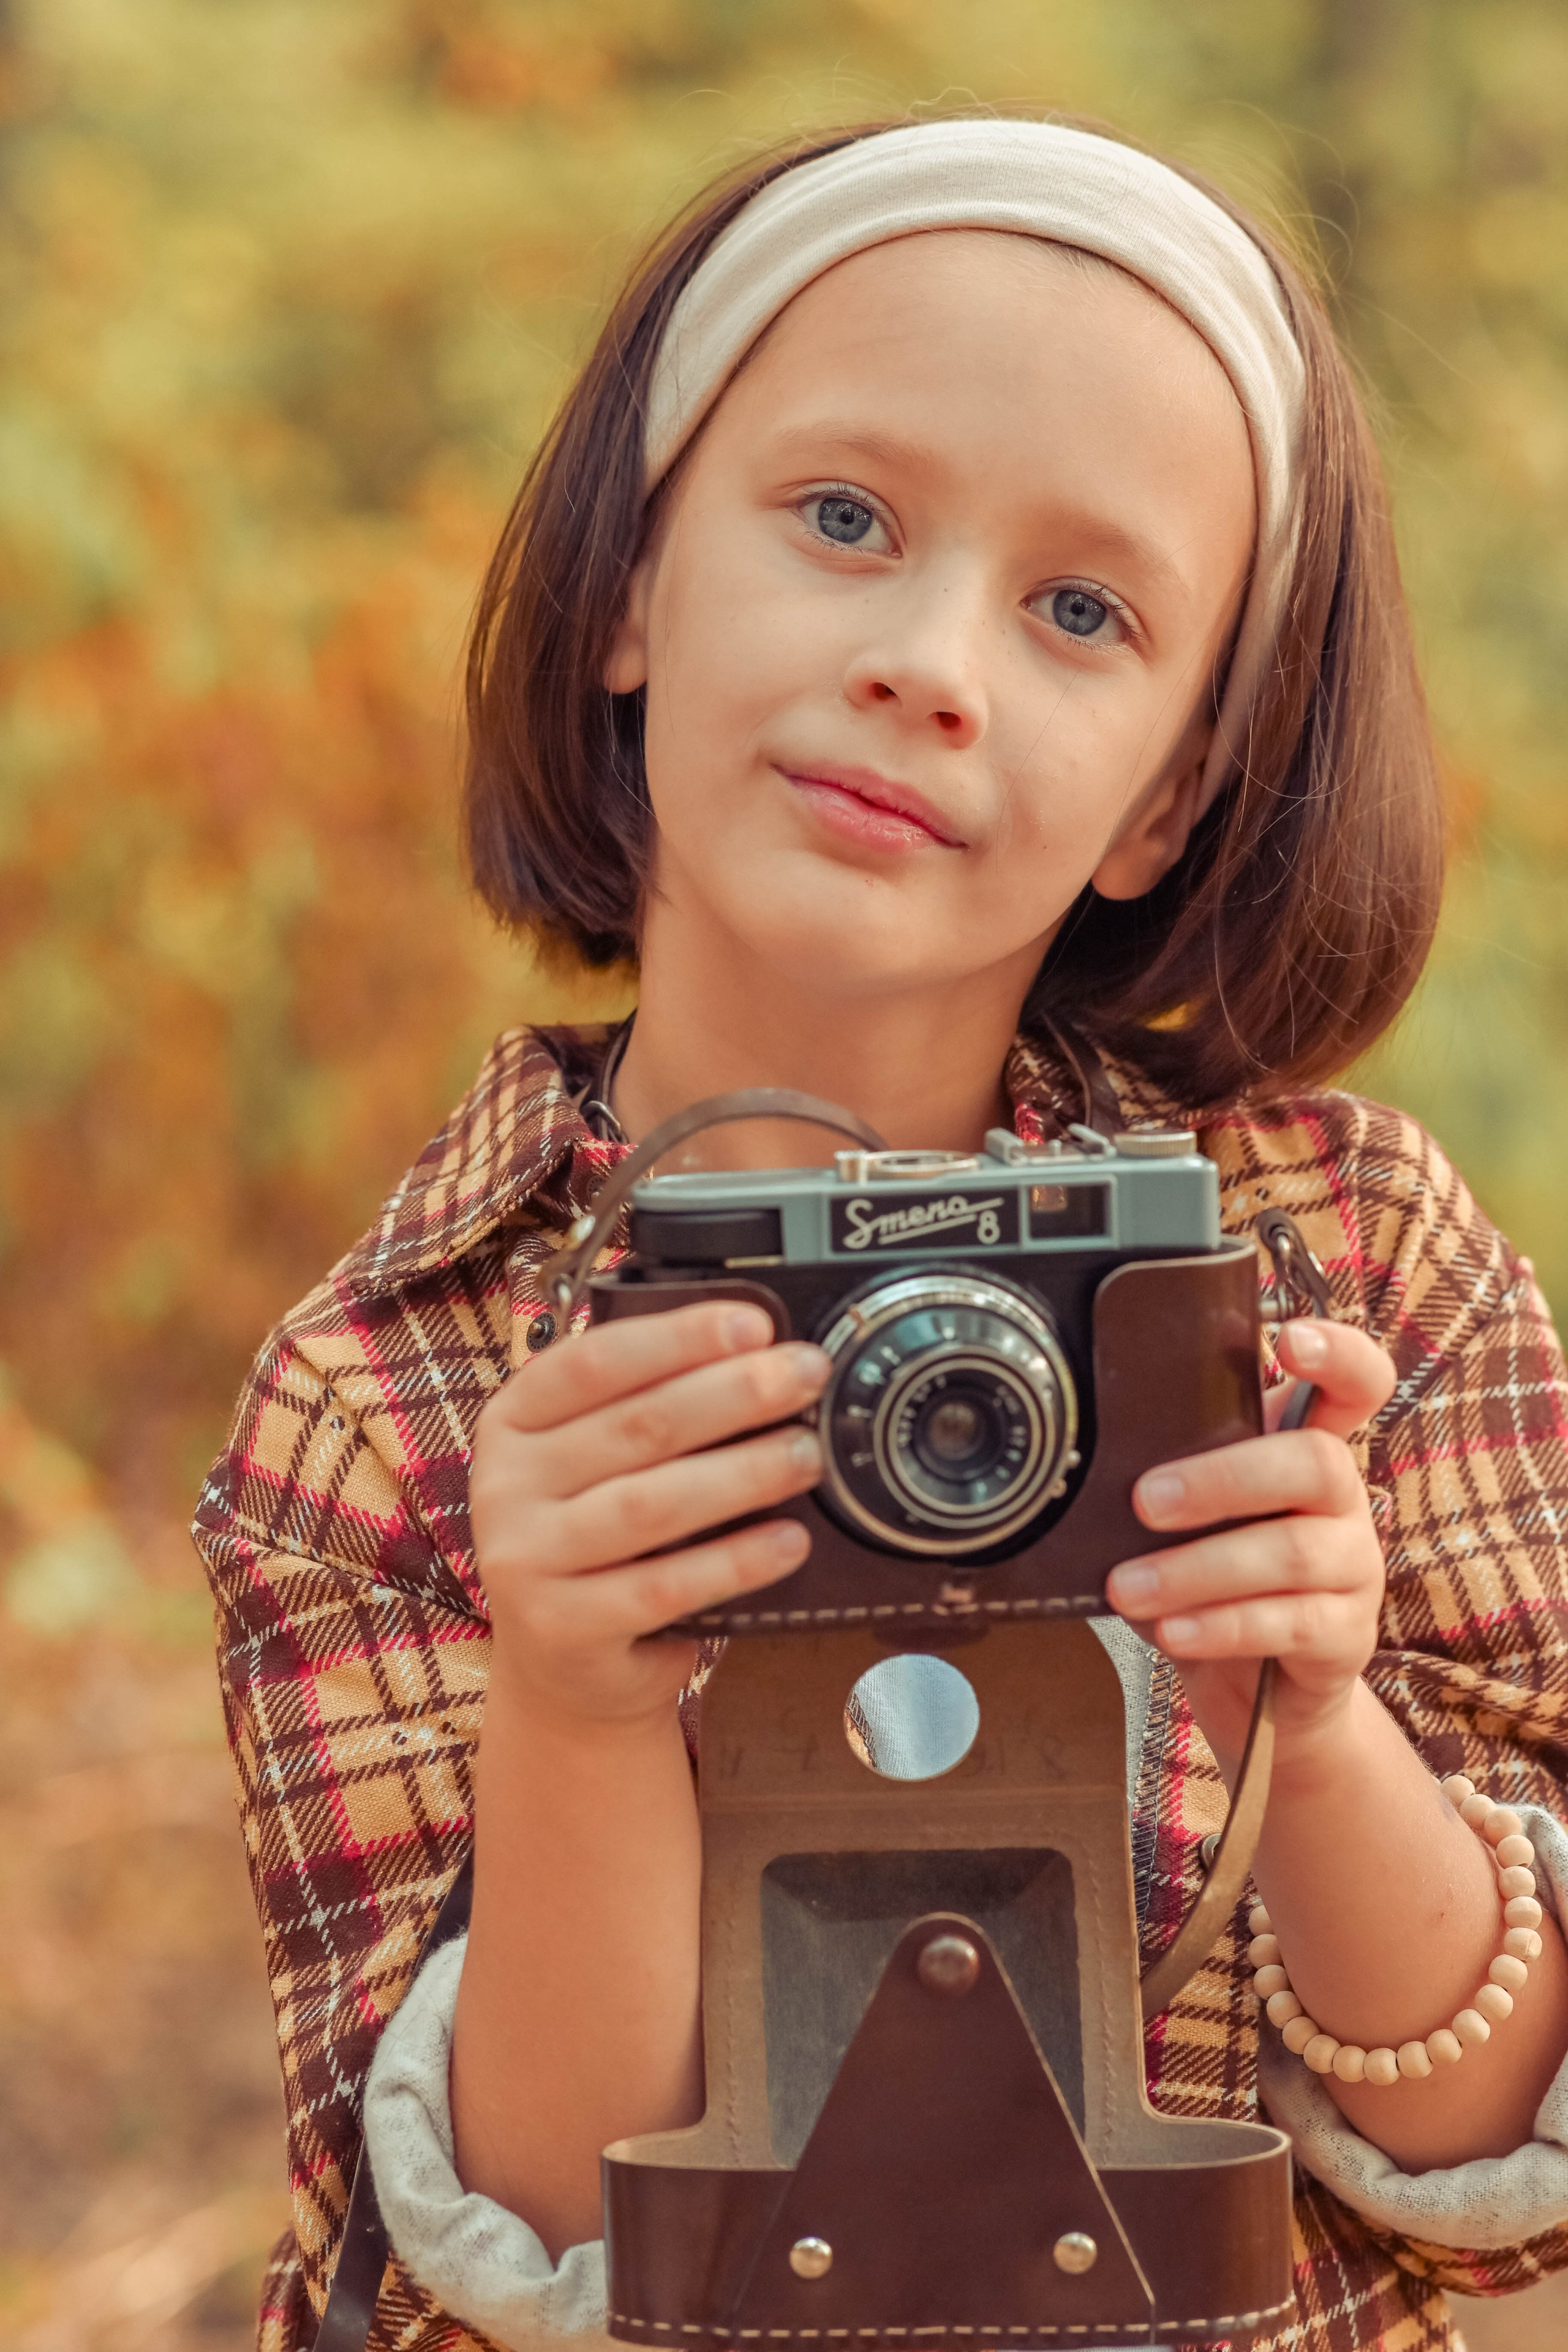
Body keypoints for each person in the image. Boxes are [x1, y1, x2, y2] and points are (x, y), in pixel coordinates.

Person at [192, 113, 1568, 2352]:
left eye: (1082, 611)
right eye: (844, 519)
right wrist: (573, 1699)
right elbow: (502, 2280)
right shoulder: (389, 1401)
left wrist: (1317, 1728)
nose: (934, 662)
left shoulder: (1345, 1266)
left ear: (1172, 796)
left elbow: (1510, 2189)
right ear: (634, 583)